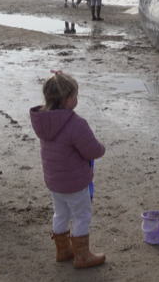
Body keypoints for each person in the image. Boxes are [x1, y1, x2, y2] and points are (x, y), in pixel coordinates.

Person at [29, 71, 106, 269]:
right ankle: (82, 256)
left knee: (60, 214)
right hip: (74, 182)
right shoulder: (76, 124)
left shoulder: (43, 121)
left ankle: (63, 251)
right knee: (82, 215)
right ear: (69, 100)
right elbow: (92, 150)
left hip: (54, 182)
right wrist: (101, 148)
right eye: (77, 95)